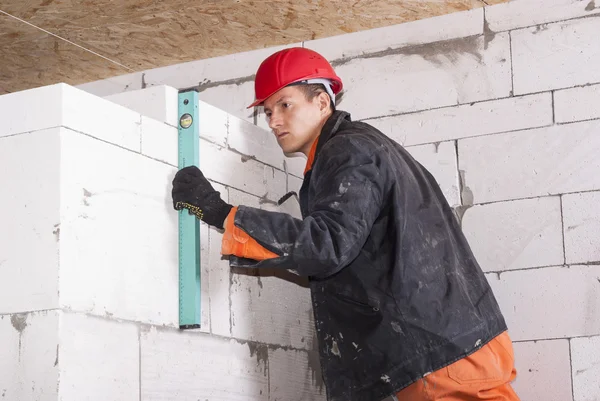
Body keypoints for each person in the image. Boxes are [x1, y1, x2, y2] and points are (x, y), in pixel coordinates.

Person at [172, 47, 520, 401]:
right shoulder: (363, 149)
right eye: (267, 112)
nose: (273, 120)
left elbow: (328, 244)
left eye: (284, 105)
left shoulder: (348, 150)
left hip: (441, 355)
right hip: (453, 344)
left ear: (322, 102)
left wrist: (220, 213)